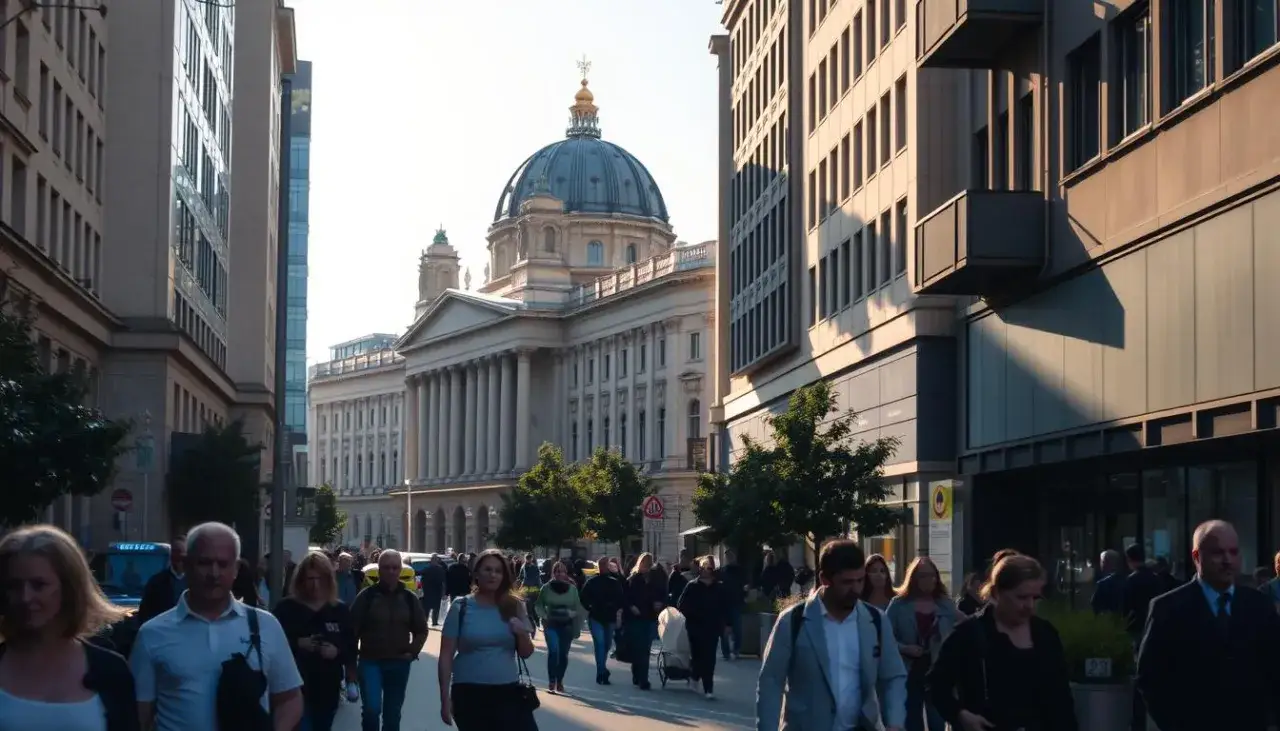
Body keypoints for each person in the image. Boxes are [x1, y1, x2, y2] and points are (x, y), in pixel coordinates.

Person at [130, 522, 303, 731]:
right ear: (187, 564)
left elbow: (290, 698)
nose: (214, 573)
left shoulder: (266, 626)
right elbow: (139, 714)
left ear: (236, 569)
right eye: (204, 563)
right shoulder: (152, 634)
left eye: (223, 564)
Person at [1137, 520, 1280, 731]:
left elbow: (1274, 669)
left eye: (1233, 552)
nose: (1227, 560)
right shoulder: (1167, 608)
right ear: (1197, 557)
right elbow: (1150, 678)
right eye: (1218, 552)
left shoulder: (1259, 605)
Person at [757, 540, 906, 731]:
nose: (856, 589)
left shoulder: (875, 620)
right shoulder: (793, 621)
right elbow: (770, 682)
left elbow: (893, 675)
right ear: (825, 579)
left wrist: (895, 721)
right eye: (847, 582)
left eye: (860, 580)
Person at [0, 524, 138, 731]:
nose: (25, 597)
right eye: (14, 586)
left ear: (69, 588)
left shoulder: (110, 671)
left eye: (39, 585)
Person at [926, 554, 1077, 731]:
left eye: (1035, 598)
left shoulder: (1045, 634)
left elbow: (1062, 699)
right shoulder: (969, 634)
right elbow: (935, 685)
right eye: (1021, 597)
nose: (1029, 605)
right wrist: (961, 715)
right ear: (997, 593)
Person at [438, 549, 537, 730]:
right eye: (488, 569)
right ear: (476, 574)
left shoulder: (514, 605)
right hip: (469, 693)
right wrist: (444, 698)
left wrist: (522, 633)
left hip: (508, 691)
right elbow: (446, 655)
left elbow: (526, 652)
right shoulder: (461, 607)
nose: (493, 575)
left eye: (498, 571)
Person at [273, 552, 357, 731]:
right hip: (294, 689)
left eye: (320, 579)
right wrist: (297, 644)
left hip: (327, 688)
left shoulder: (339, 610)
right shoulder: (286, 609)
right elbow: (272, 646)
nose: (315, 585)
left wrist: (336, 652)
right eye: (310, 579)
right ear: (301, 580)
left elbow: (351, 647)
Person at [349, 549, 428, 731]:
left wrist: (412, 652)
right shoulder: (367, 597)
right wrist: (351, 668)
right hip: (370, 662)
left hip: (399, 663)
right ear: (379, 570)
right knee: (372, 709)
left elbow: (421, 630)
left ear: (400, 569)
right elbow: (351, 632)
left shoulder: (409, 598)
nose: (391, 571)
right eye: (386, 567)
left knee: (392, 715)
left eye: (395, 567)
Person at [886, 556, 956, 731]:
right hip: (908, 672)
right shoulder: (898, 605)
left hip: (936, 673)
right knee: (912, 722)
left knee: (937, 722)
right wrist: (904, 648)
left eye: (932, 575)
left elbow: (961, 630)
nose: (929, 580)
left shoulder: (946, 605)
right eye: (924, 576)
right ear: (914, 578)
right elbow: (884, 638)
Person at [676, 555, 729, 699]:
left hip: (712, 627)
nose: (707, 570)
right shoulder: (692, 586)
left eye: (709, 568)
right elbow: (681, 604)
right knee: (698, 656)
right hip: (695, 627)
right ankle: (694, 676)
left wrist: (727, 624)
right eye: (704, 568)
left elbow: (725, 607)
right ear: (700, 569)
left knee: (710, 658)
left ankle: (708, 688)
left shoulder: (718, 587)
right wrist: (693, 613)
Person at [535, 561, 585, 694]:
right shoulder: (546, 588)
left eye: (561, 571)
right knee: (553, 652)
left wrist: (572, 613)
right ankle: (552, 680)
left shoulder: (572, 589)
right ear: (553, 573)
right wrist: (544, 615)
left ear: (565, 573)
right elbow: (539, 605)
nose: (559, 574)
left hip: (566, 625)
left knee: (563, 654)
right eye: (556, 571)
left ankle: (560, 680)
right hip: (551, 624)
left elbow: (578, 607)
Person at [579, 554, 625, 684]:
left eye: (605, 564)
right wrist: (590, 607)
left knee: (607, 644)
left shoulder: (614, 581)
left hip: (610, 618)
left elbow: (621, 598)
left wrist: (616, 609)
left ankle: (602, 669)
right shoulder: (592, 582)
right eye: (601, 565)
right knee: (599, 644)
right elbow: (583, 597)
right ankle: (601, 673)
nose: (602, 567)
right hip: (596, 617)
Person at [623, 552, 660, 690]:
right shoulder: (633, 579)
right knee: (638, 648)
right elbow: (625, 597)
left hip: (649, 617)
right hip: (635, 618)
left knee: (645, 649)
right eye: (645, 564)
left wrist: (658, 603)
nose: (647, 567)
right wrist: (631, 607)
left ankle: (643, 678)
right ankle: (638, 674)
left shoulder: (654, 579)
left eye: (649, 564)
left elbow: (660, 593)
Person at [135, 534, 187, 624]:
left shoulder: (197, 583)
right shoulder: (156, 582)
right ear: (171, 555)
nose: (179, 556)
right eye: (175, 551)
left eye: (182, 552)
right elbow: (144, 614)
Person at [717, 550, 747, 660]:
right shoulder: (722, 571)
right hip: (724, 604)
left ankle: (736, 650)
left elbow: (745, 585)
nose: (729, 559)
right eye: (727, 557)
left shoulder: (740, 571)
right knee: (724, 630)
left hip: (736, 603)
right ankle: (726, 652)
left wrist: (744, 594)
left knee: (737, 629)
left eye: (731, 556)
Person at [1090, 549, 1125, 616]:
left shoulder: (1102, 584)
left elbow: (1094, 604)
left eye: (1101, 561)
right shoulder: (1127, 579)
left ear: (1104, 562)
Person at [419, 555, 447, 626]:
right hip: (437, 591)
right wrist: (443, 593)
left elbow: (420, 576)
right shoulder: (440, 569)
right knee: (436, 608)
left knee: (426, 608)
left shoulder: (426, 569)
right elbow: (443, 582)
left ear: (431, 561)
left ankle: (425, 621)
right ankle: (434, 622)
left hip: (427, 591)